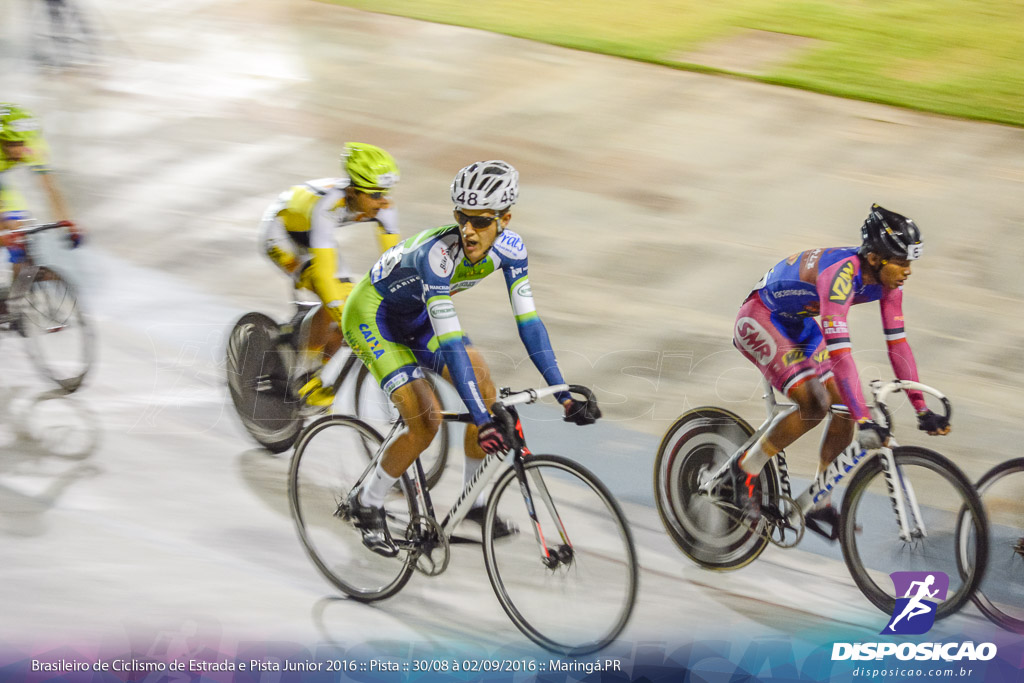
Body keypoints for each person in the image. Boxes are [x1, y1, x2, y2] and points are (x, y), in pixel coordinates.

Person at [339, 160, 600, 556]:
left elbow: (529, 324)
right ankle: (367, 502)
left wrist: (561, 392)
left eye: (480, 221)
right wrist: (480, 419)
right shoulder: (437, 257)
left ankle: (473, 504)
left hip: (415, 316)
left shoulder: (511, 251)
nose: (467, 230)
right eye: (461, 217)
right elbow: (451, 342)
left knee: (484, 384)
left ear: (504, 220)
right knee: (425, 422)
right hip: (372, 317)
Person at [727, 204, 950, 539]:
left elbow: (898, 346)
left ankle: (819, 500)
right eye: (902, 262)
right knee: (815, 404)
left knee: (846, 405)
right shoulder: (840, 277)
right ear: (876, 258)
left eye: (910, 262)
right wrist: (865, 419)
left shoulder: (890, 284)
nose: (908, 271)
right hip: (761, 316)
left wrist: (921, 408)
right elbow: (841, 354)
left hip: (797, 323)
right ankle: (744, 471)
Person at [259, 142, 401, 406]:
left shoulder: (383, 205)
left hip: (314, 238)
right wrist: (345, 314)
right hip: (282, 235)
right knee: (335, 299)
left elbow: (393, 263)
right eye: (374, 194)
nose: (382, 201)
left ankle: (315, 356)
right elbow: (326, 279)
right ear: (352, 191)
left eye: (385, 192)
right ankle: (305, 373)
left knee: (351, 303)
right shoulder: (327, 207)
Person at [0, 103, 76, 314]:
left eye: (21, 143)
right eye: (11, 143)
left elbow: (50, 187)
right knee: (7, 227)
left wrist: (68, 223)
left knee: (19, 229)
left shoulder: (32, 144)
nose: (18, 149)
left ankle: (13, 302)